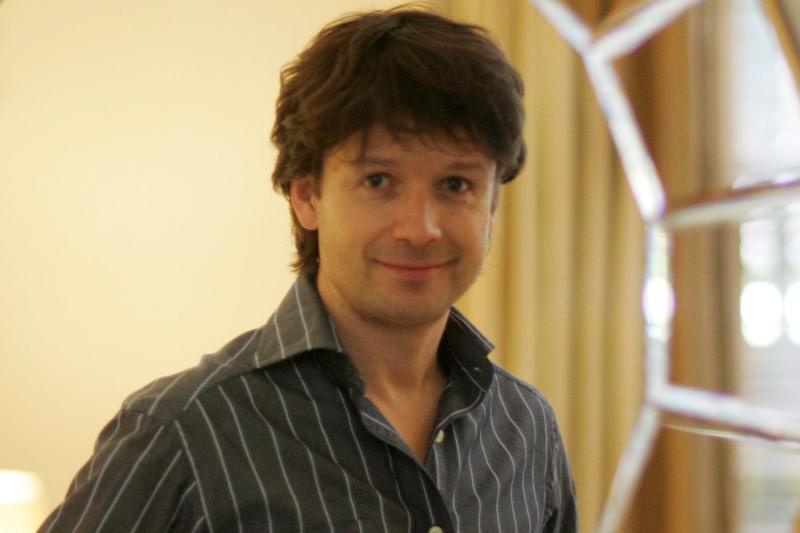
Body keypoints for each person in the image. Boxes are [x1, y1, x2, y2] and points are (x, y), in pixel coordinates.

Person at [40, 7, 577, 532]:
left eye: (456, 184)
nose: (420, 229)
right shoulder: (185, 429)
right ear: (306, 196)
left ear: (492, 207)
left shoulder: (527, 430)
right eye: (378, 181)